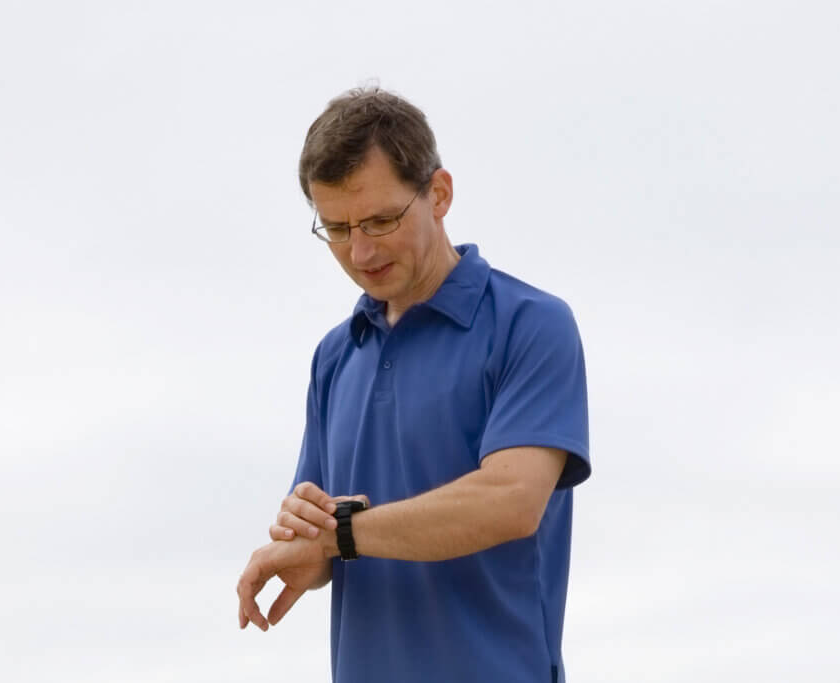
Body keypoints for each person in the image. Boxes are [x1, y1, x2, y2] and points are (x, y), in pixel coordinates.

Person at [236, 87, 591, 683]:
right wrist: (306, 546)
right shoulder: (333, 356)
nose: (361, 250)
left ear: (440, 194)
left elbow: (510, 502)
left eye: (380, 220)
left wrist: (338, 537)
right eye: (338, 228)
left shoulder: (531, 324)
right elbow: (328, 536)